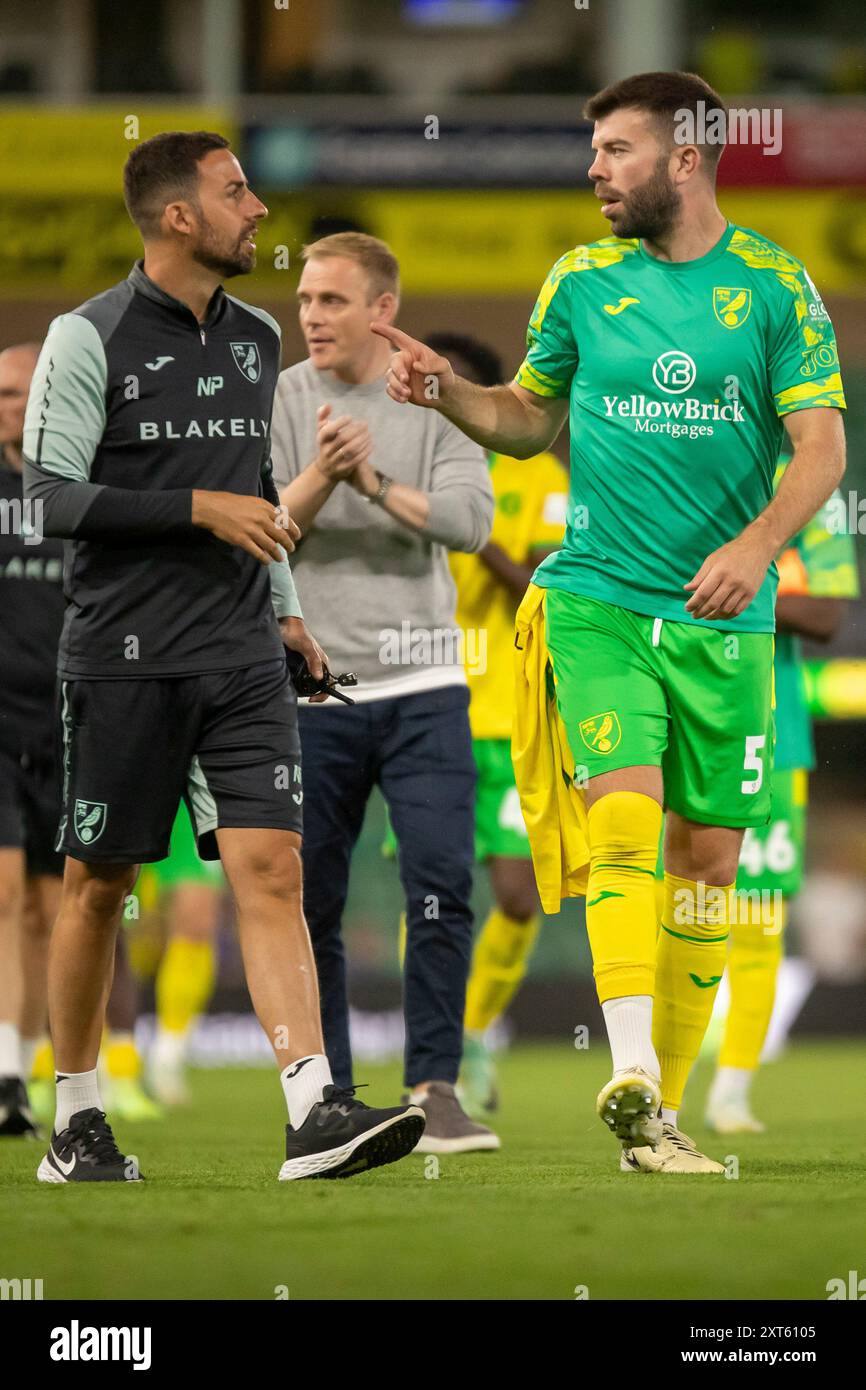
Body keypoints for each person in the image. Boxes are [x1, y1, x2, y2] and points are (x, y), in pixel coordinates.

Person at [375, 71, 846, 1174]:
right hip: (594, 599)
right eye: (592, 149)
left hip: (723, 617)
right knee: (624, 829)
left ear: (684, 160)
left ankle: (661, 1119)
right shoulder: (580, 281)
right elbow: (528, 419)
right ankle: (628, 1069)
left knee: (709, 862)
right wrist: (448, 391)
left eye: (615, 150)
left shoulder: (775, 286)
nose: (593, 168)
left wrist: (752, 548)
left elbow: (819, 447)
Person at [22, 131, 424, 1182]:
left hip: (243, 651)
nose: (258, 210)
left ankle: (311, 1111)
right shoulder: (85, 336)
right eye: (235, 191)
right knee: (100, 885)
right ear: (177, 219)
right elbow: (50, 500)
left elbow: (250, 496)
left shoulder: (252, 339)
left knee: (272, 869)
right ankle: (75, 1120)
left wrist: (286, 609)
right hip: (122, 657)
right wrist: (193, 508)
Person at [272, 233, 500, 1154]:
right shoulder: (282, 396)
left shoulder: (430, 394)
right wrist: (326, 475)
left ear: (383, 310)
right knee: (310, 899)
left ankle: (436, 1089)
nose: (312, 316)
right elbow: (266, 533)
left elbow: (471, 524)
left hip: (427, 683)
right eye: (305, 299)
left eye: (332, 300)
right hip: (314, 689)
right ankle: (327, 1099)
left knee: (442, 883)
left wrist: (372, 478)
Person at [419, 332, 567, 1114]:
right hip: (427, 705)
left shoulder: (539, 476)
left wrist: (475, 534)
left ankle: (474, 1034)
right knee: (432, 891)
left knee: (517, 896)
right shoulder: (398, 472)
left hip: (516, 718)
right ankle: (437, 1055)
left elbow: (550, 589)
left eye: (455, 394)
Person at [704, 460, 858, 1132]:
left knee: (759, 922)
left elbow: (825, 615)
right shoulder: (687, 463)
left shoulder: (811, 496)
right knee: (671, 908)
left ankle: (732, 1090)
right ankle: (652, 1078)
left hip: (773, 735)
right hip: (678, 727)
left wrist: (728, 579)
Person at [0, 341, 62, 1139]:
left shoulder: (89, 490)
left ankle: (41, 1065)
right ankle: (6, 1071)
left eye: (23, 390)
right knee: (5, 892)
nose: (9, 404)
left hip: (73, 722)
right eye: (1, 392)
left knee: (57, 908)